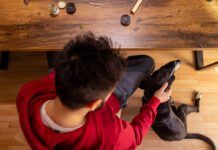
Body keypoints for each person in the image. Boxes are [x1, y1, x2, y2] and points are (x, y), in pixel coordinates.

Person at [17, 32, 172, 150]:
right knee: (147, 63)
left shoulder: (27, 92)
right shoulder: (110, 134)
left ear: (57, 73)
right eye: (111, 90)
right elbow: (136, 135)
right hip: (109, 112)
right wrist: (154, 102)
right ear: (94, 104)